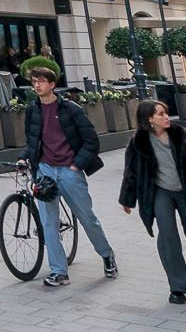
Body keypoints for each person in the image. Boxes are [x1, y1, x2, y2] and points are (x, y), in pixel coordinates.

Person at [17, 65, 117, 288]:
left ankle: (107, 254)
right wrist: (25, 158)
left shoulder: (70, 109)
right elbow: (32, 141)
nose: (37, 85)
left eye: (41, 81)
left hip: (69, 171)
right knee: (48, 222)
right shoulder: (32, 110)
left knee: (86, 217)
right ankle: (59, 271)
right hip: (44, 171)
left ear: (52, 85)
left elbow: (91, 141)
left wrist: (76, 165)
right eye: (34, 81)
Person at [116, 98, 186, 304]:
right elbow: (131, 172)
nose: (166, 117)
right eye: (160, 114)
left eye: (166, 112)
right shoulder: (139, 142)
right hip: (160, 192)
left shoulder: (180, 135)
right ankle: (178, 287)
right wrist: (127, 198)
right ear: (149, 119)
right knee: (168, 234)